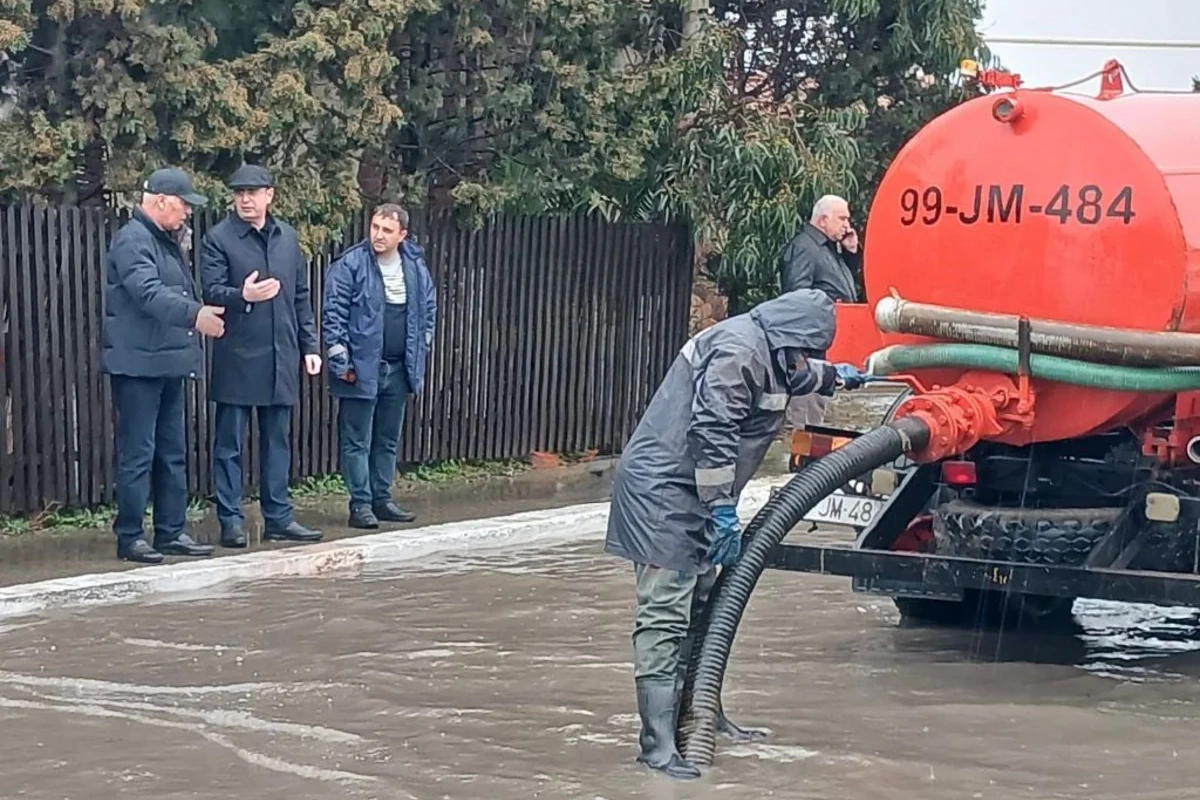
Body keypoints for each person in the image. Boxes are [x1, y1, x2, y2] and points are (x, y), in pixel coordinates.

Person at [604, 288, 868, 780]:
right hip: (665, 493)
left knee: (705, 605)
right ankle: (656, 743)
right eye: (807, 350)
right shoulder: (738, 351)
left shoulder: (773, 348)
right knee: (666, 614)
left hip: (698, 494)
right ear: (790, 336)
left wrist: (842, 378)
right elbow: (712, 432)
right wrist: (722, 509)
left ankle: (700, 714)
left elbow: (799, 376)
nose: (807, 360)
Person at [102, 167, 226, 564]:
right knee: (139, 454)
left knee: (172, 452)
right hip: (138, 365)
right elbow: (148, 294)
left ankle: (171, 531)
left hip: (169, 362)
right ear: (159, 201)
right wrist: (196, 316)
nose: (187, 213)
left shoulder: (166, 240)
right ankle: (131, 536)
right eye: (183, 205)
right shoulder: (132, 241)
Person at [199, 164, 323, 548]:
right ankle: (231, 521)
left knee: (277, 442)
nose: (246, 199)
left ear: (270, 195)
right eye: (239, 193)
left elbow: (300, 296)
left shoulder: (287, 237)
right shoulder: (219, 238)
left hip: (281, 353)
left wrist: (311, 345)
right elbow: (210, 291)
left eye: (253, 192)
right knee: (230, 445)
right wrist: (243, 296)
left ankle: (279, 517)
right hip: (238, 354)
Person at [322, 203, 438, 530]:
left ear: (402, 234)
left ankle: (381, 499)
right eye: (375, 227)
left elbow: (428, 308)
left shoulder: (414, 267)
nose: (379, 235)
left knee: (387, 439)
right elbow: (334, 314)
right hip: (360, 368)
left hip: (400, 369)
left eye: (387, 230)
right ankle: (360, 505)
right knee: (357, 439)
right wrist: (340, 359)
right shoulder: (351, 265)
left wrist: (423, 343)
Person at [777, 194, 862, 431]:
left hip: (825, 348)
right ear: (823, 220)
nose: (847, 224)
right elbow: (796, 299)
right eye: (842, 218)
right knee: (806, 424)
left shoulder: (828, 248)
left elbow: (840, 285)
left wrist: (851, 253)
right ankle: (801, 467)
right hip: (810, 350)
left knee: (817, 421)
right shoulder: (805, 248)